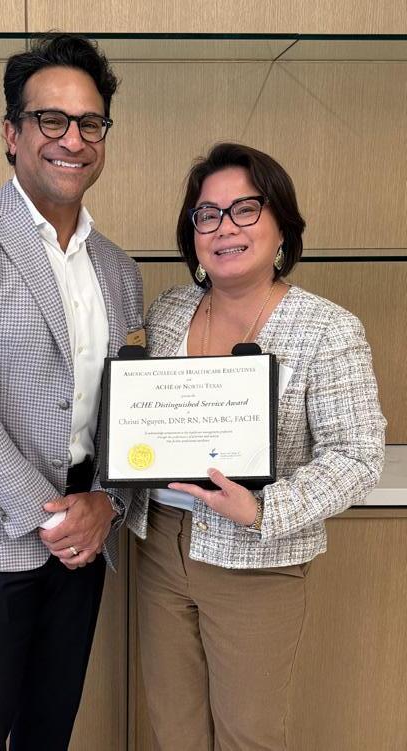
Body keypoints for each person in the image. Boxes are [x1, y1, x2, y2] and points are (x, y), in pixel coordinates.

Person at [0, 34, 143, 751]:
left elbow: (129, 408)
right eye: (52, 120)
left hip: (86, 538)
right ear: (12, 134)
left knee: (50, 731)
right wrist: (54, 517)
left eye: (90, 122)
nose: (73, 139)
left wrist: (106, 503)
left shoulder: (119, 268)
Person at [126, 142, 385, 751]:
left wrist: (262, 509)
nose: (225, 228)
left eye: (245, 209)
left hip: (257, 559)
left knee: (249, 736)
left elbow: (357, 453)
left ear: (281, 225)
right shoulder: (168, 312)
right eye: (207, 214)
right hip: (160, 543)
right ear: (192, 233)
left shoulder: (327, 329)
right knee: (174, 729)